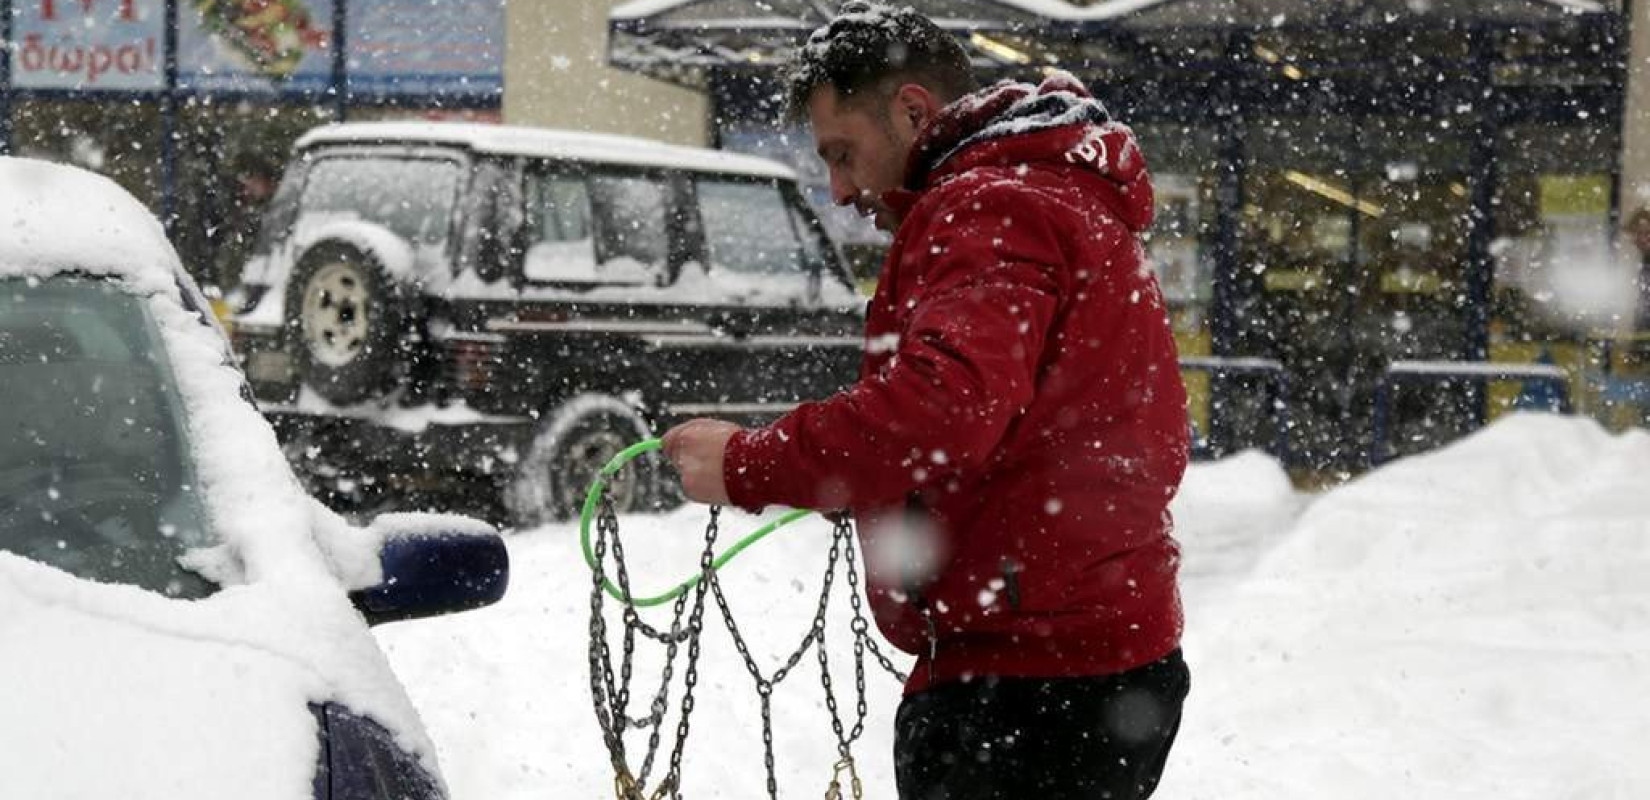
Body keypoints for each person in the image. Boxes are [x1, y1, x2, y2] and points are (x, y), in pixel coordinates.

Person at [661, 3, 1191, 798]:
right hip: (1095, 659)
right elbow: (1029, 429)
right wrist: (877, 483)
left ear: (914, 111)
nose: (840, 190)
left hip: (1028, 685)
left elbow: (943, 410)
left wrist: (747, 463)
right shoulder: (1056, 193)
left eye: (843, 154)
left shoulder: (988, 206)